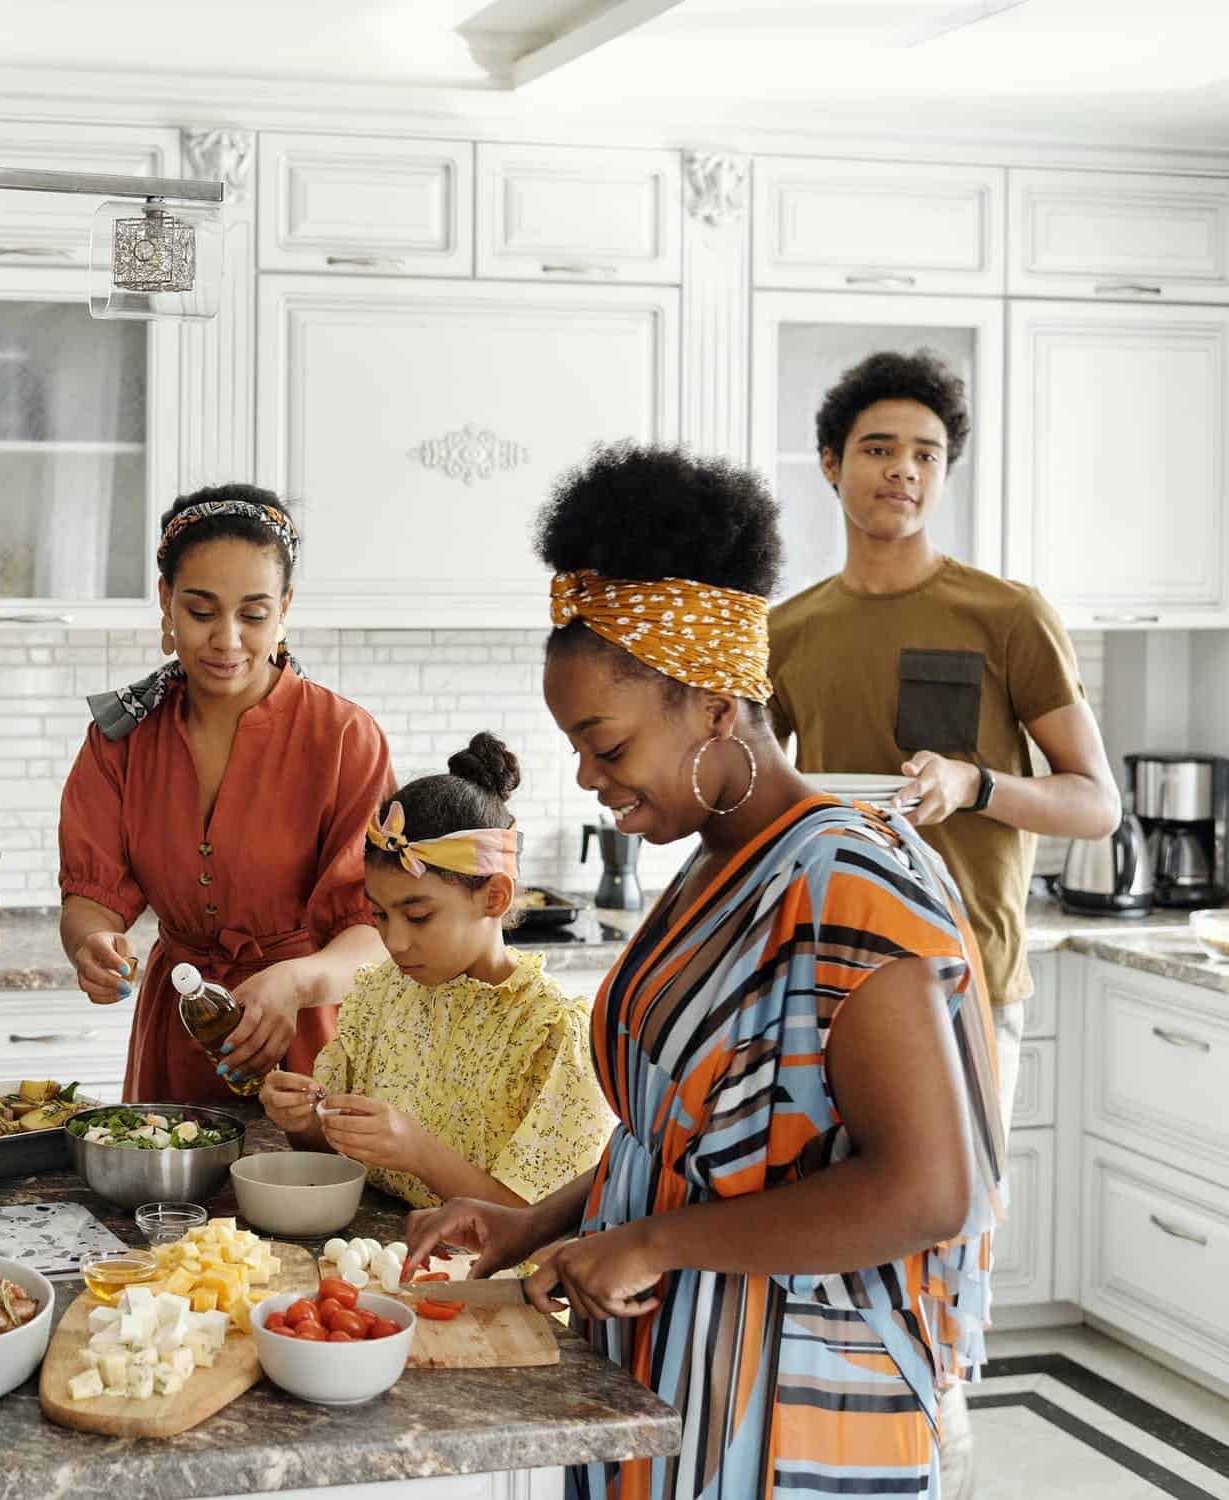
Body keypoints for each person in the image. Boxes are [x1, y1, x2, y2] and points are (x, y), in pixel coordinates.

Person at [407, 445, 1006, 1500]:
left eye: (604, 743)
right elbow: (696, 1142)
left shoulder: (844, 882)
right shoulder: (714, 868)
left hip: (794, 1404)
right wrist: (534, 1222)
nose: (588, 779)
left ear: (717, 708)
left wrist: (653, 1243)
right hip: (677, 1369)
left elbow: (927, 1190)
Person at [768, 355, 1118, 1497]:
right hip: (820, 972)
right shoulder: (789, 629)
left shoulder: (1004, 616)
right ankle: (832, 1448)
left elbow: (1094, 803)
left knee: (942, 1226)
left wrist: (975, 787)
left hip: (963, 978)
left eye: (925, 453)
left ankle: (940, 1442)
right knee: (824, 1220)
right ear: (831, 465)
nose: (903, 471)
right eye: (878, 448)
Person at [59, 485, 392, 1103]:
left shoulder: (345, 738)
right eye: (202, 611)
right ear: (165, 601)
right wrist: (92, 945)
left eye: (254, 614)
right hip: (176, 1030)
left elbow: (375, 933)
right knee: (167, 1198)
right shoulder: (120, 741)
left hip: (312, 1039)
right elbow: (91, 897)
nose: (228, 640)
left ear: (285, 607)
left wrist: (292, 984)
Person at [259, 732, 613, 1212]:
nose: (394, 942)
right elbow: (338, 1154)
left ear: (495, 897)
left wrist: (420, 1153)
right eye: (379, 916)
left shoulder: (551, 1034)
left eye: (419, 916)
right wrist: (304, 1123)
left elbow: (537, 1223)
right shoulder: (378, 996)